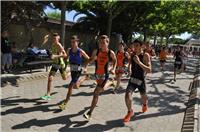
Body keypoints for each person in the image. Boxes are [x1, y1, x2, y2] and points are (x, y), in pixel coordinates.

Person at [83, 35, 117, 120]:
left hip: (105, 75)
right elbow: (90, 60)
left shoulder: (110, 53)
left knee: (96, 92)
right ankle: (111, 83)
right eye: (100, 42)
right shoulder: (96, 51)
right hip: (97, 75)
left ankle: (89, 113)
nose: (101, 44)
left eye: (103, 43)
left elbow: (115, 60)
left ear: (107, 43)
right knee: (100, 91)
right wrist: (87, 65)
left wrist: (113, 68)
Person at [58, 35, 90, 110]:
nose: (72, 44)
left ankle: (65, 103)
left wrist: (85, 67)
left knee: (70, 85)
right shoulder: (69, 50)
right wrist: (64, 66)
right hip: (72, 69)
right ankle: (85, 78)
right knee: (76, 86)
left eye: (74, 42)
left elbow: (89, 59)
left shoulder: (80, 51)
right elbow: (66, 58)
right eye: (71, 42)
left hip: (78, 69)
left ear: (77, 42)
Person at [123, 40, 151, 122]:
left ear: (141, 46)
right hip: (132, 79)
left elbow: (149, 70)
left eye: (137, 45)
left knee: (143, 97)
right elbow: (131, 63)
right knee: (127, 95)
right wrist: (128, 68)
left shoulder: (145, 55)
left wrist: (139, 62)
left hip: (141, 80)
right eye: (134, 45)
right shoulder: (132, 54)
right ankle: (130, 111)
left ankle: (145, 104)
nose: (135, 47)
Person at [41, 33, 68, 100]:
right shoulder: (53, 45)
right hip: (55, 64)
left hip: (60, 64)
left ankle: (69, 73)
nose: (54, 40)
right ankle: (48, 94)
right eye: (53, 38)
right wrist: (51, 55)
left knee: (64, 78)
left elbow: (65, 55)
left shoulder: (59, 45)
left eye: (55, 39)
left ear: (58, 39)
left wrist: (56, 56)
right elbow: (53, 54)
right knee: (50, 78)